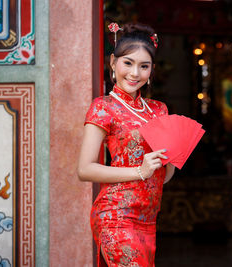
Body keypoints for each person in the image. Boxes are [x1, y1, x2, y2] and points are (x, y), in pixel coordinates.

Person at [77, 22, 175, 267]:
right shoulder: (103, 107)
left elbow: (162, 177)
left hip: (149, 218)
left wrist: (172, 157)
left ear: (152, 70)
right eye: (128, 63)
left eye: (144, 66)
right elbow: (85, 169)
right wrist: (139, 171)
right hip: (116, 215)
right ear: (113, 62)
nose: (134, 73)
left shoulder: (159, 110)